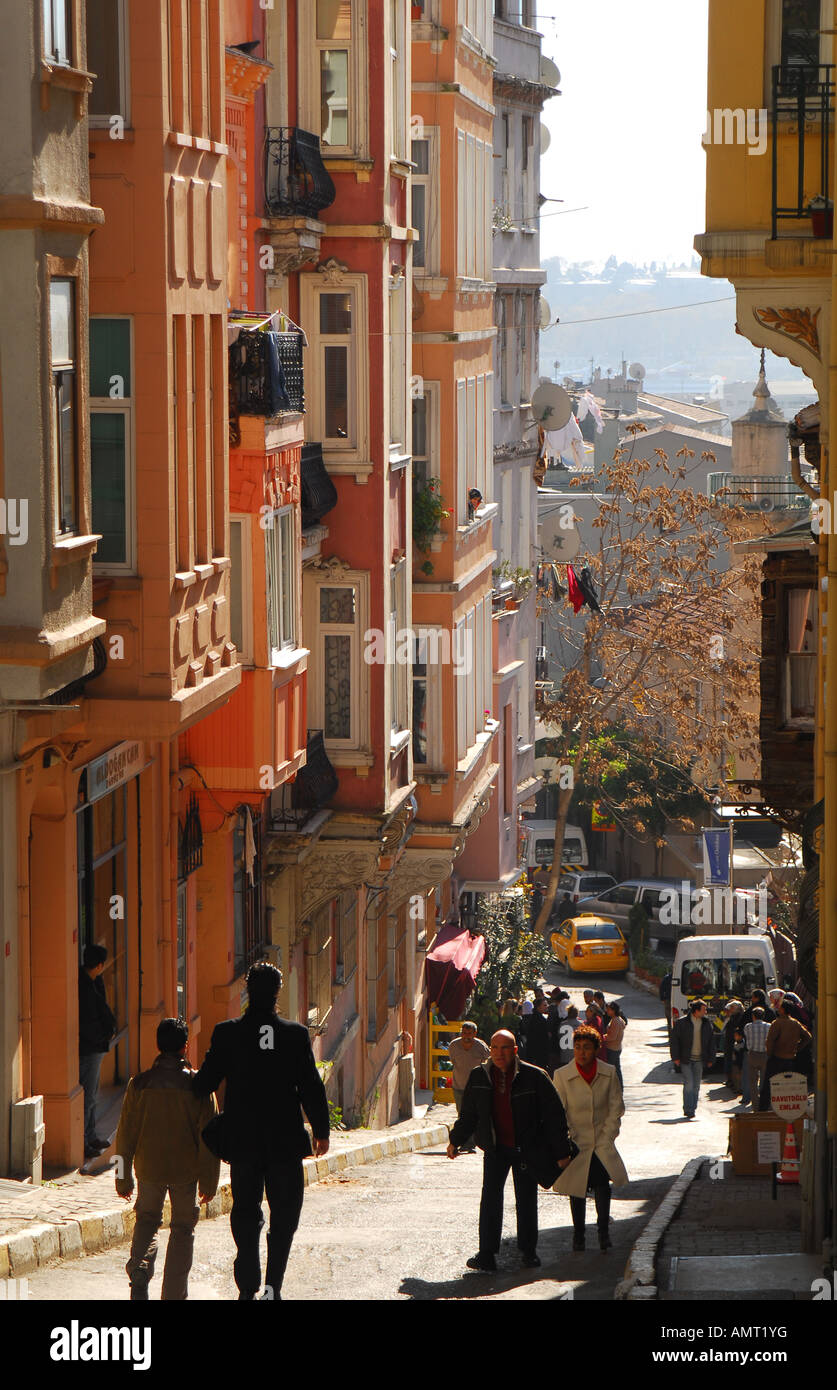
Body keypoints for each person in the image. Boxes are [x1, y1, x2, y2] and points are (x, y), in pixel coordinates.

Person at [193, 960, 329, 1300]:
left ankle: (248, 1282)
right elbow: (310, 1086)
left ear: (247, 991)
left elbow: (205, 1082)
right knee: (284, 1216)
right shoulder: (295, 1035)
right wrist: (322, 1130)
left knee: (245, 1211)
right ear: (277, 993)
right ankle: (272, 1289)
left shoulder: (227, 1033)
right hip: (284, 1142)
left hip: (243, 1141)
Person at [446, 1029, 572, 1272]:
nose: (499, 1053)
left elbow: (554, 1116)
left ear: (515, 1051)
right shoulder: (479, 1076)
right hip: (495, 1148)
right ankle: (486, 1254)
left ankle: (528, 1252)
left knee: (526, 1199)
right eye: (494, 1048)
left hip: (526, 1148)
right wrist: (455, 1140)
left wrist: (562, 1152)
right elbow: (469, 1114)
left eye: (505, 1048)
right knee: (490, 1199)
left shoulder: (535, 1077)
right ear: (489, 1051)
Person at [114, 1017, 219, 1300]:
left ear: (158, 1045)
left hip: (148, 1168)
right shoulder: (199, 1087)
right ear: (186, 1047)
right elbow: (208, 1139)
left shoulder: (139, 1084)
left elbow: (124, 1136)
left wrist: (122, 1178)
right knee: (182, 1229)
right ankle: (173, 1294)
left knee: (147, 1221)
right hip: (186, 1172)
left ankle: (139, 1268)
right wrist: (209, 1183)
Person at [552, 1025, 628, 1252]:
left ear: (596, 1049)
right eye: (577, 1047)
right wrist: (566, 1141)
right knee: (577, 1190)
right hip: (576, 1143)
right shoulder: (562, 1076)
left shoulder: (608, 1072)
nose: (581, 1052)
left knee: (602, 1187)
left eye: (586, 1047)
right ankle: (578, 1235)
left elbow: (616, 1108)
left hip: (602, 1142)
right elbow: (558, 1113)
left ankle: (603, 1232)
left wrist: (608, 1135)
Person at [78, 943, 117, 1160]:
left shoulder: (93, 982)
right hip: (90, 1048)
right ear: (100, 965)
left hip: (95, 1046)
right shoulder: (85, 986)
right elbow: (89, 1019)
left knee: (91, 1096)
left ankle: (90, 1136)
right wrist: (102, 1036)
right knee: (88, 1097)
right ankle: (84, 1140)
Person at [758, 999, 813, 1112]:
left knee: (768, 1088)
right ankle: (788, 1111)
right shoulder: (795, 1023)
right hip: (790, 1060)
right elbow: (808, 1037)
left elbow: (770, 1041)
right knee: (788, 1088)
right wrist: (797, 1048)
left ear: (782, 1009)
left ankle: (762, 1111)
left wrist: (770, 1054)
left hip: (776, 1059)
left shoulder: (777, 1023)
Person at [670, 999, 714, 1119]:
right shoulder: (682, 1023)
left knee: (696, 1085)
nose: (706, 1012)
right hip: (686, 1059)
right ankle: (688, 1109)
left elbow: (711, 1042)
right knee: (689, 1083)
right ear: (696, 1010)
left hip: (700, 1059)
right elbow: (674, 1041)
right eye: (704, 1009)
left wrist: (711, 1058)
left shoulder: (706, 1023)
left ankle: (693, 1108)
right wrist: (675, 1057)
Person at [447, 1021, 490, 1115]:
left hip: (476, 1087)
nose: (466, 1036)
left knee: (475, 1113)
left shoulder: (481, 1047)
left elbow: (489, 1063)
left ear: (475, 1033)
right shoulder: (453, 1046)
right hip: (459, 1087)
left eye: (469, 1033)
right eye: (464, 1033)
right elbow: (453, 1061)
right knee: (461, 1114)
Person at [743, 1007, 770, 1113]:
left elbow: (747, 1038)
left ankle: (755, 1106)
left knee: (753, 1083)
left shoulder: (748, 1026)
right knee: (764, 1082)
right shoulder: (769, 1026)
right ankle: (764, 1105)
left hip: (752, 1055)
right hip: (765, 1055)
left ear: (753, 1016)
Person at [520, 997, 552, 1071]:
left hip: (532, 1051)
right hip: (539, 1052)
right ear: (538, 1007)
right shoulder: (540, 1020)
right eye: (544, 1005)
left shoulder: (533, 1018)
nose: (546, 1007)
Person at [603, 1001, 627, 1086]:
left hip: (612, 1048)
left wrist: (602, 1037)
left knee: (611, 1070)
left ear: (613, 1010)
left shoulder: (616, 1021)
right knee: (617, 1069)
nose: (607, 1011)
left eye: (609, 1010)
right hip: (616, 1048)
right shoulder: (617, 1020)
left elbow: (612, 1037)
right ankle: (620, 1087)